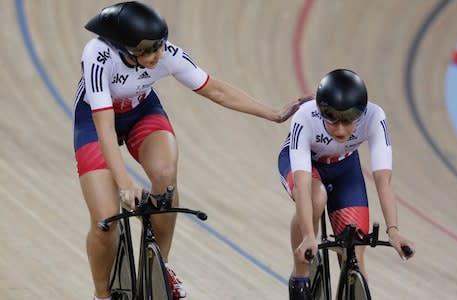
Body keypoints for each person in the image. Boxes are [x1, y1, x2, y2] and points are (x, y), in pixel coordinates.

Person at [73, 2, 304, 300]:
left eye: (160, 46)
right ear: (124, 48)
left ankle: (160, 266)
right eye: (149, 51)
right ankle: (101, 294)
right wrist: (125, 184)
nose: (159, 55)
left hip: (141, 112)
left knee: (166, 176)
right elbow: (104, 128)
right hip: (95, 121)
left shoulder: (166, 53)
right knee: (105, 223)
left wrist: (273, 113)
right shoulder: (97, 55)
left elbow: (215, 89)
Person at [277, 69, 416, 299]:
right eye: (332, 120)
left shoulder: (375, 117)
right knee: (316, 197)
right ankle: (300, 274)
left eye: (348, 121)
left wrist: (394, 232)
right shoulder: (305, 116)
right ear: (321, 111)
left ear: (361, 114)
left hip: (344, 167)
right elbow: (302, 186)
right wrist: (309, 237)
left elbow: (383, 182)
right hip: (305, 165)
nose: (340, 130)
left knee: (354, 254)